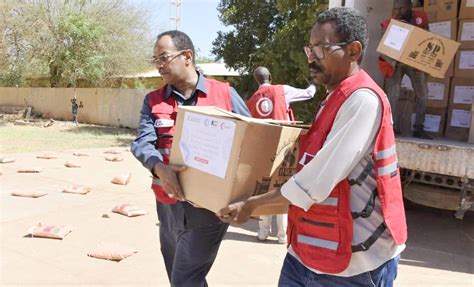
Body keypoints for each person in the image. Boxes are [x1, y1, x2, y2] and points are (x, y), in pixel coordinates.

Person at [218, 7, 407, 286]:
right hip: (305, 255)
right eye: (310, 50)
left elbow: (314, 184)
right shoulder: (332, 100)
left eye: (320, 50)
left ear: (353, 51)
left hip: (354, 266)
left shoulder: (362, 101)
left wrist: (252, 204)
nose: (312, 60)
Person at [131, 30, 250, 287]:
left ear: (187, 56)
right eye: (155, 60)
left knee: (184, 280)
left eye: (163, 57)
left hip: (208, 210)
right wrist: (159, 168)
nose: (158, 65)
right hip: (168, 205)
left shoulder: (225, 94)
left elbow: (252, 138)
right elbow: (142, 142)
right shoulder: (152, 101)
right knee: (180, 275)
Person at [247, 66, 316, 244]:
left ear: (256, 81)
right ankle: (282, 236)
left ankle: (262, 233)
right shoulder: (282, 90)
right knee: (282, 189)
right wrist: (314, 82)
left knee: (265, 190)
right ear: (270, 76)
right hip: (284, 149)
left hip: (262, 151)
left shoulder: (251, 101)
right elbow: (309, 94)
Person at [379, 0, 432, 139]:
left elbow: (428, 40)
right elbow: (383, 48)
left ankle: (419, 128)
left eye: (402, 8)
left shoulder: (421, 19)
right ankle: (392, 127)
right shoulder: (389, 23)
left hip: (414, 64)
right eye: (396, 8)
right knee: (393, 94)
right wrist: (393, 62)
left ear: (410, 7)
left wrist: (421, 62)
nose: (399, 11)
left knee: (423, 93)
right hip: (396, 64)